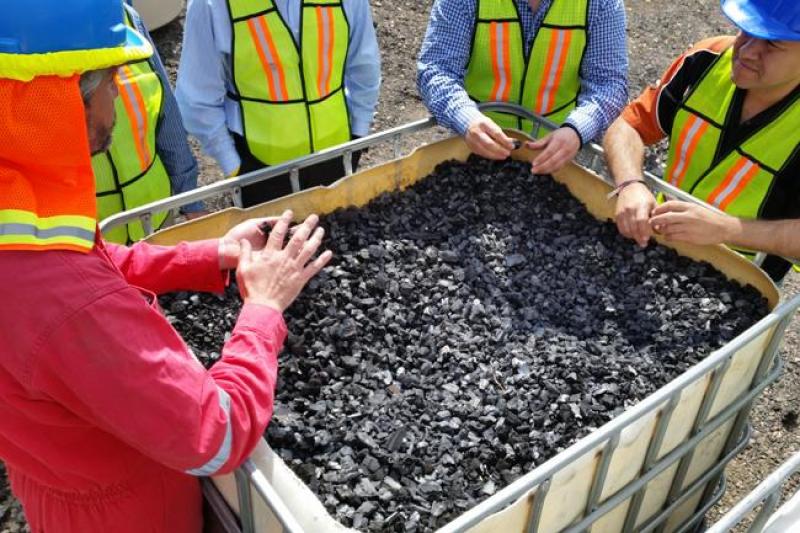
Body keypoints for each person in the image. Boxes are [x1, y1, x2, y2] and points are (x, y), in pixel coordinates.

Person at [0, 2, 332, 531]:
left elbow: (91, 261)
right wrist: (265, 309)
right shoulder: (66, 305)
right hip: (129, 513)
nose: (116, 93)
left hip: (57, 479)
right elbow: (216, 432)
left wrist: (209, 256)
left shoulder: (17, 214)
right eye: (110, 79)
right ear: (58, 100)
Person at [604, 0, 800, 281]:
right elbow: (628, 126)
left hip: (741, 285)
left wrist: (727, 230)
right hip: (654, 244)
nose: (746, 51)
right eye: (747, 30)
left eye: (772, 44)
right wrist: (629, 183)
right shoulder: (707, 59)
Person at [175, 0, 381, 206]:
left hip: (337, 154)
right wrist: (234, 166)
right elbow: (197, 98)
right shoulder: (212, 4)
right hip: (260, 170)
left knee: (339, 232)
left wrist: (358, 135)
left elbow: (364, 63)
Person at [417, 0, 628, 175]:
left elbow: (609, 84)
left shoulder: (601, 4)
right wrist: (466, 119)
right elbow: (436, 70)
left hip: (558, 153)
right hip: (474, 146)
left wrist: (577, 130)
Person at [96, 2, 206, 244]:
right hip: (89, 246)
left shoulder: (126, 17)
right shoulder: (19, 45)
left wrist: (190, 198)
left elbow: (167, 118)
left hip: (155, 223)